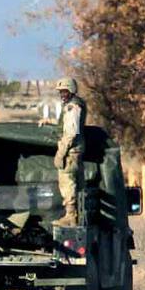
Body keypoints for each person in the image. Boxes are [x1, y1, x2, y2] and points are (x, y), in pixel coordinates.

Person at [53, 78, 87, 226]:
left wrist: (61, 154)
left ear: (71, 90)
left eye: (64, 91)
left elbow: (71, 133)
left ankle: (71, 216)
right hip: (76, 150)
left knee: (67, 181)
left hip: (71, 151)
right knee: (77, 184)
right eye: (60, 92)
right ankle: (77, 215)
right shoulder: (74, 105)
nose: (62, 94)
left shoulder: (72, 107)